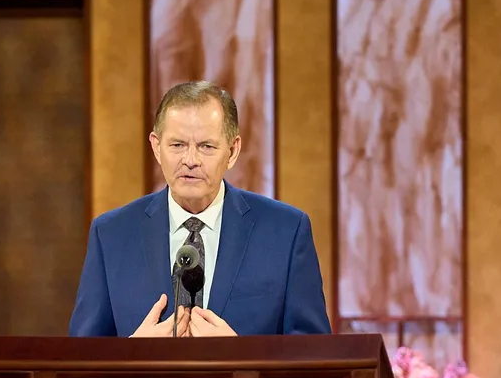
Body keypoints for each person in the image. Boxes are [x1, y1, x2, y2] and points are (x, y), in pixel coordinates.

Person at [69, 81, 331, 338]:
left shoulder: (286, 232)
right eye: (177, 145)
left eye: (206, 146)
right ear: (156, 147)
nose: (190, 161)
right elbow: (80, 363)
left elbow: (314, 357)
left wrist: (243, 358)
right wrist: (131, 356)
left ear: (232, 151)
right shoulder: (111, 234)